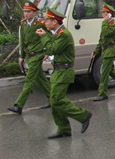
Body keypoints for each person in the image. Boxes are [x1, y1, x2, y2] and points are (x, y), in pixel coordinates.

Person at [36, 8, 92, 139]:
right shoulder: (57, 33)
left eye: (47, 20)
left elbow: (53, 48)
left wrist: (43, 36)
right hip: (58, 70)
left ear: (54, 21)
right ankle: (64, 128)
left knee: (57, 99)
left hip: (64, 71)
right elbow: (53, 48)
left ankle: (83, 115)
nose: (45, 22)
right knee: (54, 100)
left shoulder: (63, 34)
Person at [7, 1, 51, 115]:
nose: (26, 14)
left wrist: (48, 51)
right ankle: (53, 99)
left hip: (38, 55)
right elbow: (22, 41)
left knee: (29, 80)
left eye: (28, 11)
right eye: (24, 11)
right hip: (29, 56)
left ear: (35, 12)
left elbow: (50, 36)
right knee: (40, 78)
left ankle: (19, 105)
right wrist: (21, 57)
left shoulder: (41, 23)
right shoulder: (23, 24)